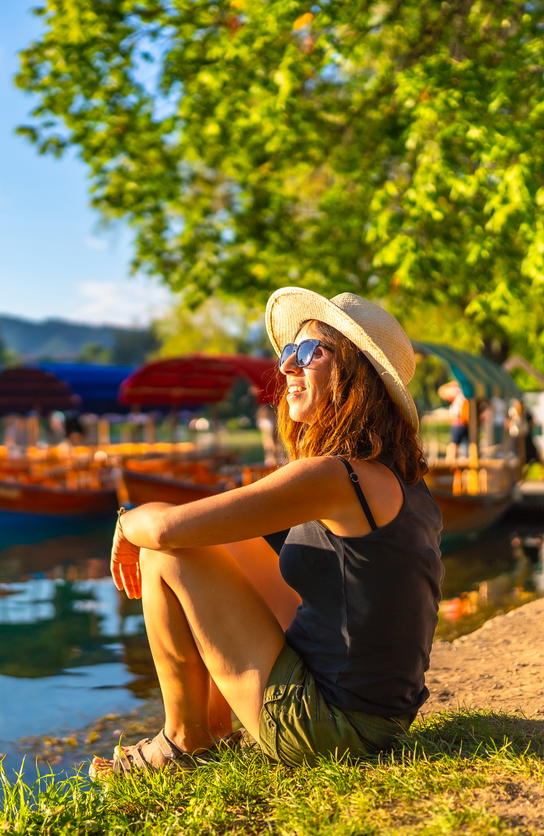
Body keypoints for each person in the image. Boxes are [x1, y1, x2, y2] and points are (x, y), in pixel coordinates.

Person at [91, 289, 443, 776]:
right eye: (286, 353)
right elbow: (199, 527)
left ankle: (184, 741)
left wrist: (127, 520)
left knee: (163, 553)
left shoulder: (337, 476)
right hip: (380, 716)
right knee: (205, 538)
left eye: (307, 353)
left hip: (334, 730)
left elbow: (167, 530)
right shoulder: (400, 480)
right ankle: (213, 729)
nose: (286, 368)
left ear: (355, 373)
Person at [439, 380, 470, 462]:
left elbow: (441, 391)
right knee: (466, 449)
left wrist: (452, 384)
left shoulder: (458, 391)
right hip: (467, 423)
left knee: (453, 445)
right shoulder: (469, 392)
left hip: (458, 423)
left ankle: (449, 465)